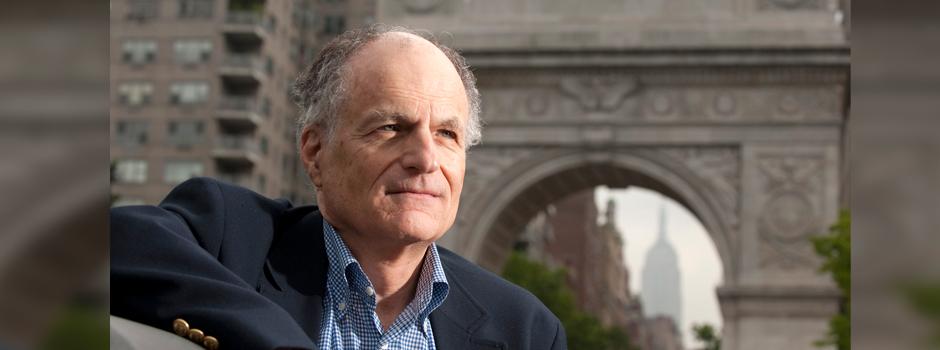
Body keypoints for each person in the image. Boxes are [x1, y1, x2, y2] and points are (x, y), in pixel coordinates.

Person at [111, 24, 567, 350]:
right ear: (314, 152)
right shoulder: (231, 237)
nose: (426, 158)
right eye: (391, 127)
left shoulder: (526, 330)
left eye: (447, 134)